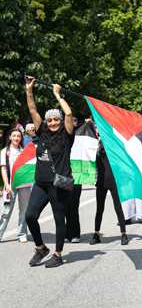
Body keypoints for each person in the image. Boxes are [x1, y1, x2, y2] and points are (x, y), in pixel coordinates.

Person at [24, 76, 75, 268]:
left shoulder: (67, 135)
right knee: (30, 216)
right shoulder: (42, 132)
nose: (53, 123)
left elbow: (68, 113)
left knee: (58, 219)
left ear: (60, 122)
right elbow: (32, 110)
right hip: (41, 183)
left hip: (58, 183)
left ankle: (58, 253)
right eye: (50, 120)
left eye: (56, 120)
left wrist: (57, 95)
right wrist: (29, 90)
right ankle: (41, 248)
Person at [89, 140, 129, 245]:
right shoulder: (98, 154)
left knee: (118, 208)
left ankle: (124, 234)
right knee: (99, 209)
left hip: (113, 183)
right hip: (101, 183)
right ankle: (96, 234)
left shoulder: (114, 153)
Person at [0, 129, 31, 243]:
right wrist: (6, 183)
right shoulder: (5, 151)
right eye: (14, 136)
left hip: (24, 184)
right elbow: (3, 168)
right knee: (6, 209)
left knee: (24, 211)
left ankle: (22, 234)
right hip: (10, 185)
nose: (16, 138)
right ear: (9, 137)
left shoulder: (24, 151)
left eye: (18, 136)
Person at [64, 117, 82, 243]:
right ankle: (67, 233)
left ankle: (75, 234)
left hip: (76, 177)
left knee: (74, 207)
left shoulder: (81, 136)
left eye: (74, 122)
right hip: (64, 177)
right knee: (65, 207)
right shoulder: (62, 136)